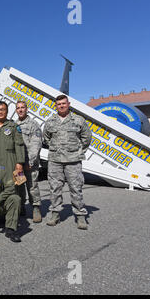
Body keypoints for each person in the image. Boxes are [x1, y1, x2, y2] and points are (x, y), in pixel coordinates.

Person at [43, 95, 92, 229]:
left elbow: (86, 137)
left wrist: (77, 150)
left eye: (64, 103)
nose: (61, 106)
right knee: (55, 188)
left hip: (73, 160)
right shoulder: (50, 121)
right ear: (56, 106)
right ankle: (55, 214)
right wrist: (57, 148)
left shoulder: (78, 120)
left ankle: (80, 215)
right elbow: (46, 138)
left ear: (68, 104)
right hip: (55, 160)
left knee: (76, 188)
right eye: (59, 104)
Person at [0, 101, 25, 212]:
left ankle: (20, 208)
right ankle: (2, 209)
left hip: (13, 160)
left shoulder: (14, 126)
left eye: (3, 109)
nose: (0, 112)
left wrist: (20, 163)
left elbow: (19, 145)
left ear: (7, 111)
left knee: (19, 183)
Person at [15, 101, 43, 223]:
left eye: (22, 107)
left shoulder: (33, 124)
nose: (20, 110)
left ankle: (36, 208)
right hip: (19, 164)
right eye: (18, 108)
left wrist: (30, 161)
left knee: (32, 186)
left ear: (27, 109)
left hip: (30, 163)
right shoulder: (14, 124)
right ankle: (21, 207)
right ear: (16, 110)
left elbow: (36, 144)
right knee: (19, 186)